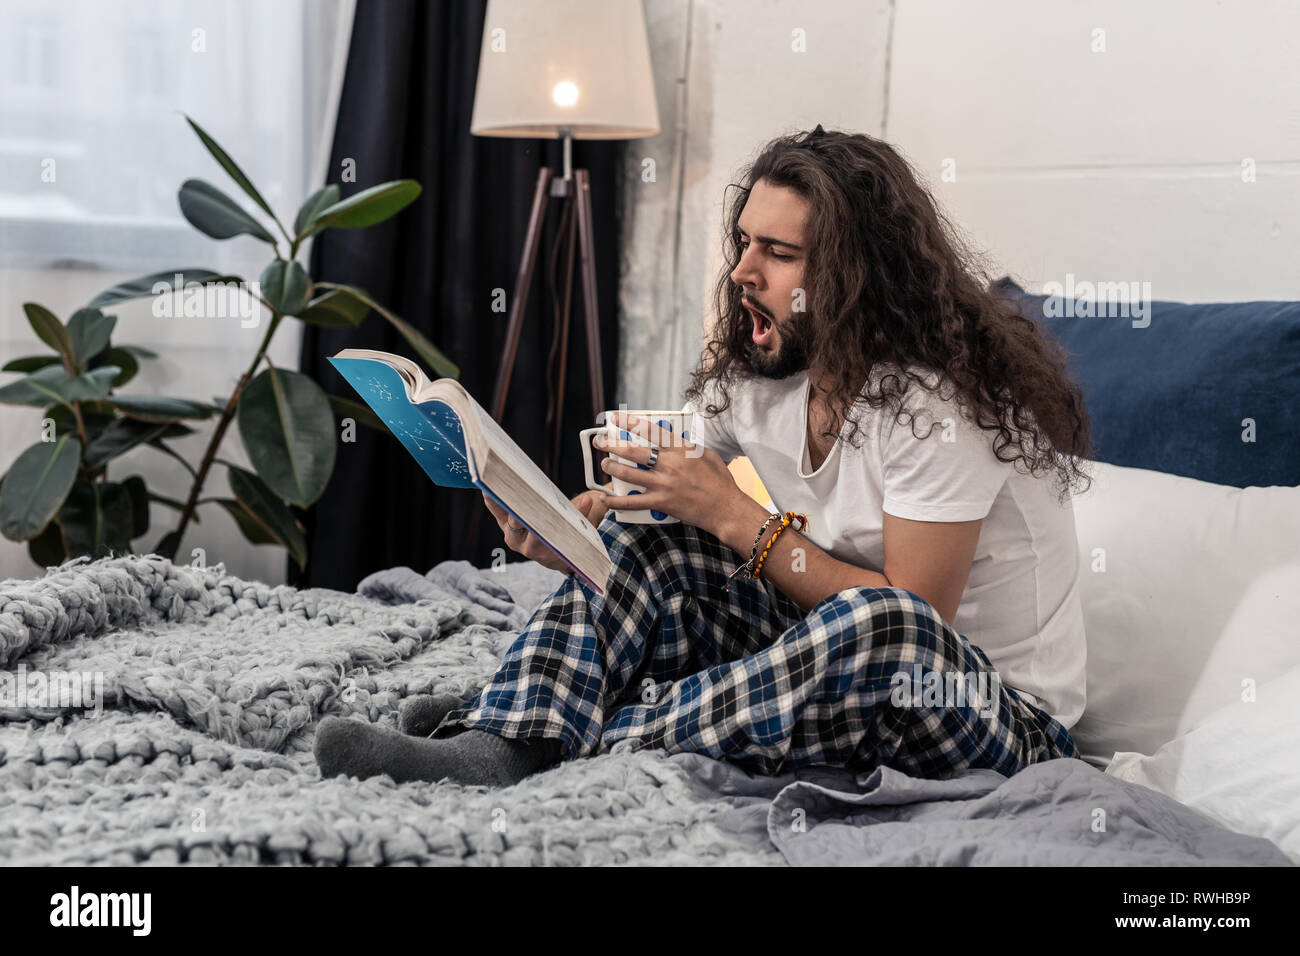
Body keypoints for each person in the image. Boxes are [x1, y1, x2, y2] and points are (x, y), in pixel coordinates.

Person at [314, 125, 1095, 788]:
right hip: (826, 657)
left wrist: (730, 511)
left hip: (992, 714)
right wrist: (570, 530)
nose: (741, 272)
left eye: (778, 253)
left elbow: (919, 625)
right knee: (650, 538)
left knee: (883, 620)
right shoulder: (768, 374)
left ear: (859, 277)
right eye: (744, 243)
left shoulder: (940, 407)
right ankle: (503, 738)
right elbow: (657, 504)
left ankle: (585, 734)